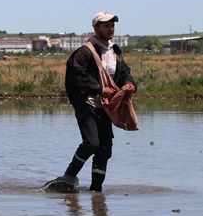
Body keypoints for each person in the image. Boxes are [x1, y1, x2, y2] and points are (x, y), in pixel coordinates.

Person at [45, 11, 136, 194]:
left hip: (106, 108)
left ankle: (96, 192)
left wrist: (130, 84)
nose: (110, 29)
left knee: (105, 149)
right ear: (95, 28)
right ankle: (69, 177)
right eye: (106, 25)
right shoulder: (84, 52)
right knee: (91, 143)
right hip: (87, 104)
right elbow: (76, 76)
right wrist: (100, 89)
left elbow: (125, 73)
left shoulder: (115, 52)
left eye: (112, 25)